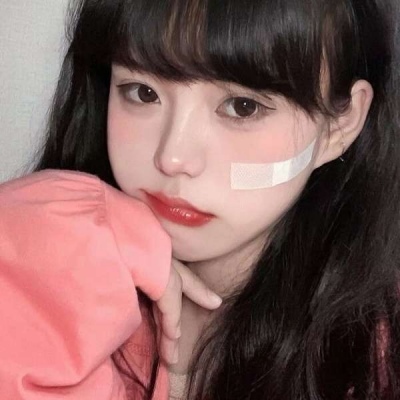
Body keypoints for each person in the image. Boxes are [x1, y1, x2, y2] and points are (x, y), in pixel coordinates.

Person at [0, 0, 399, 399]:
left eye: (242, 107)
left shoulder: (375, 361)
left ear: (338, 125)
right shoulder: (45, 273)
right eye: (143, 93)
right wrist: (37, 238)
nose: (172, 158)